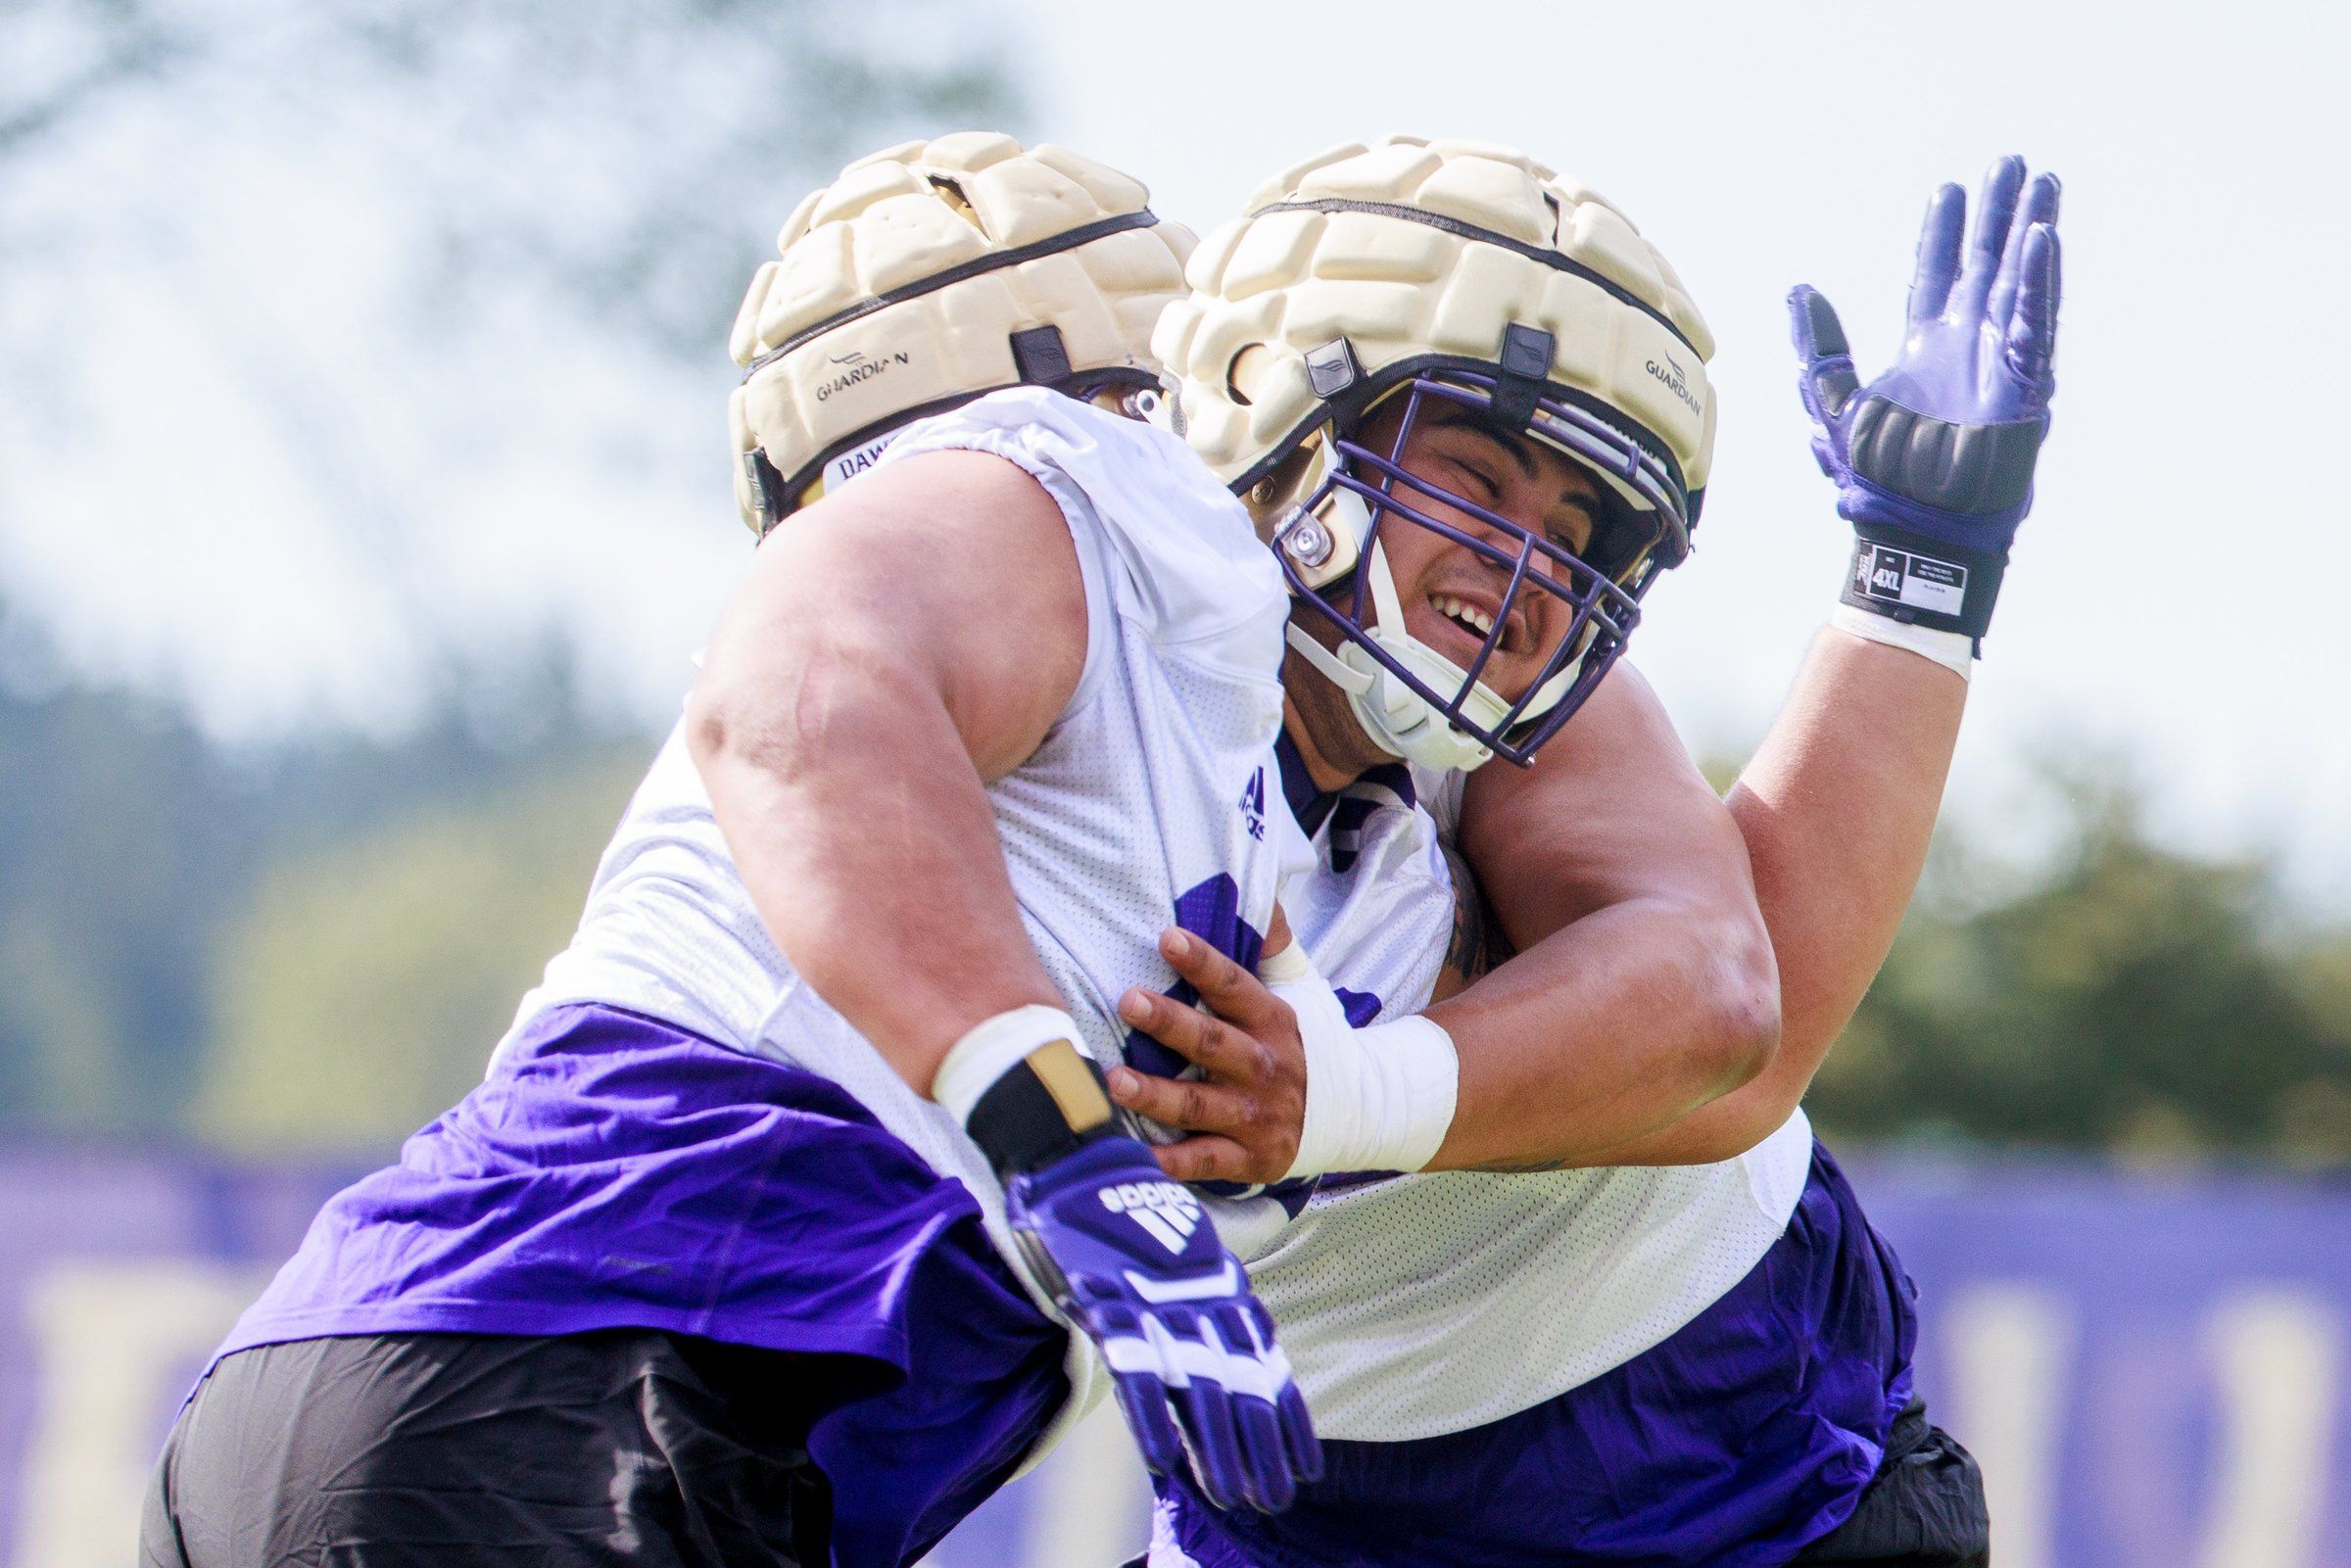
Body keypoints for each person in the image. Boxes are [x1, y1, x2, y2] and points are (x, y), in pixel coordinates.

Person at [1108, 136, 2058, 1566]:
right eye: (1478, 474)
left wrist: (1917, 579)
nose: (1526, 566)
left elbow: (1742, 1012)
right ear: (1277, 414)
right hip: (1308, 1510)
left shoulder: (1487, 697)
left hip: (1732, 1461)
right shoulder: (1052, 674)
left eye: (1571, 526)